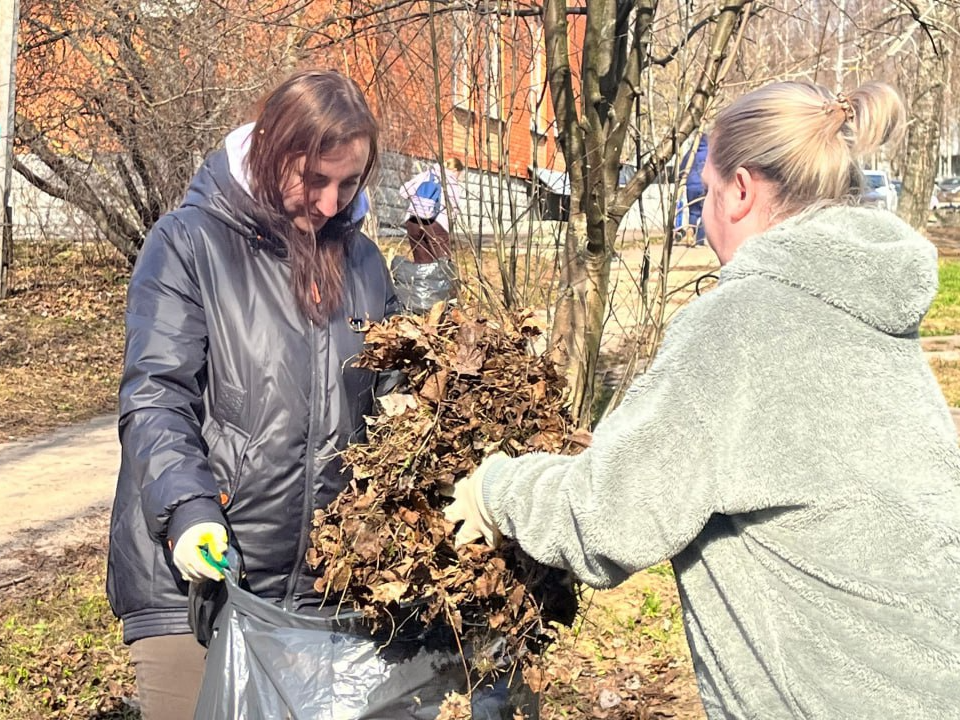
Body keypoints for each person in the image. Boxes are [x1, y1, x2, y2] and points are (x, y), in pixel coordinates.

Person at [445, 81, 960, 719]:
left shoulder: (745, 323)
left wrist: (495, 488)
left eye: (709, 192)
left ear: (741, 190)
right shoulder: (874, 316)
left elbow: (608, 518)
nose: (704, 210)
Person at [105, 69, 399, 720]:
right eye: (313, 180)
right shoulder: (187, 245)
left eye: (348, 184)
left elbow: (391, 399)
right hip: (198, 586)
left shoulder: (366, 266)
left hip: (321, 597)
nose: (329, 204)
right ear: (270, 152)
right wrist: (189, 511)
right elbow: (157, 395)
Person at [401, 157, 464, 263]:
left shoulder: (426, 175)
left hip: (413, 221)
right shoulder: (451, 180)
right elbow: (453, 207)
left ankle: (423, 279)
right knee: (443, 265)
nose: (459, 177)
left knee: (422, 265)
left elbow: (404, 192)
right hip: (436, 224)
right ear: (454, 170)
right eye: (460, 173)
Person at [674, 135, 708, 246]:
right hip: (704, 186)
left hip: (691, 186)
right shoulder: (710, 153)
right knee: (705, 213)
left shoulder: (690, 153)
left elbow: (681, 169)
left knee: (693, 212)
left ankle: (690, 232)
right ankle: (699, 240)